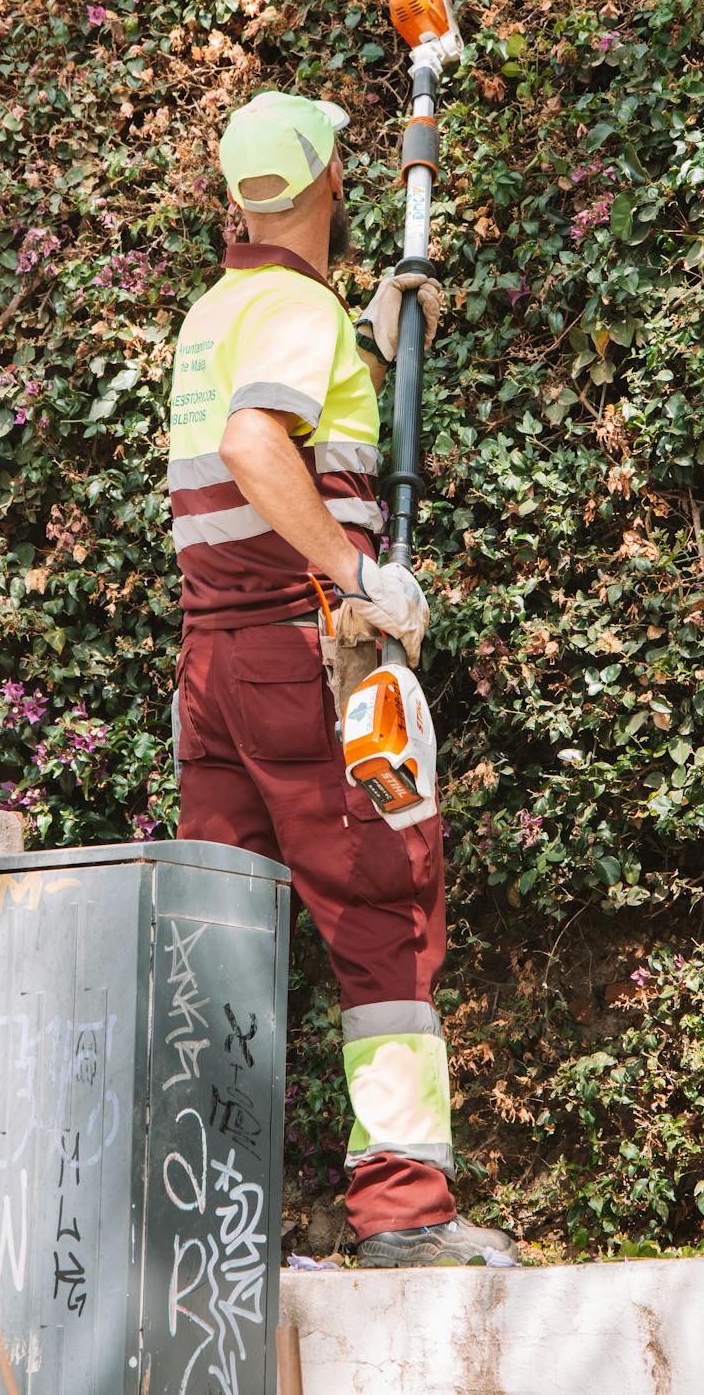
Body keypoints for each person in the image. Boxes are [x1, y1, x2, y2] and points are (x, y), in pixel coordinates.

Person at [166, 88, 516, 1266]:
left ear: (237, 198)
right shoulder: (293, 313)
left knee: (226, 937)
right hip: (300, 654)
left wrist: (368, 341)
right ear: (328, 187)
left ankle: (213, 1226)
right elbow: (262, 446)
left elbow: (262, 430)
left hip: (211, 666)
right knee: (384, 912)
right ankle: (405, 1215)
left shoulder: (217, 312)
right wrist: (357, 576)